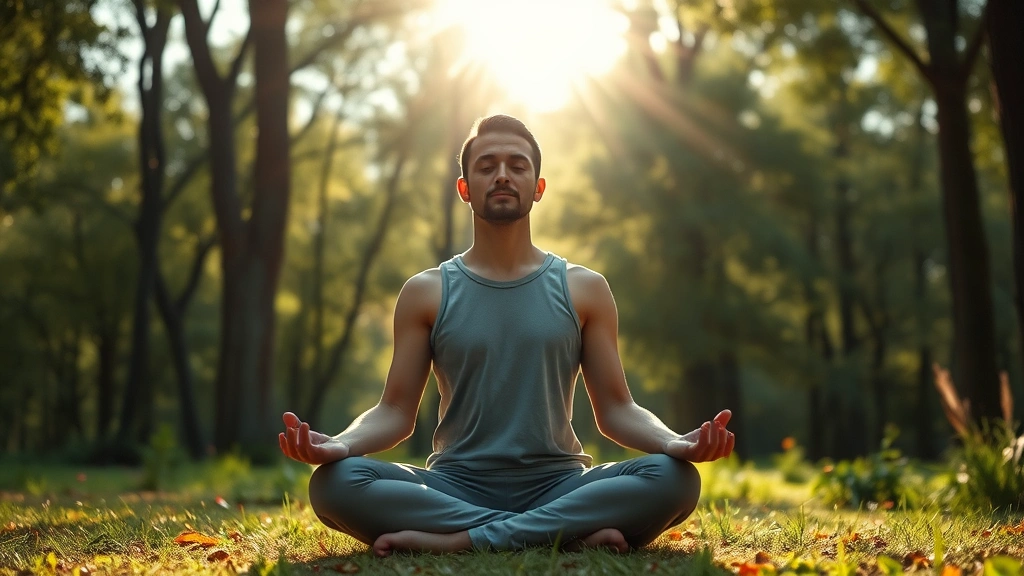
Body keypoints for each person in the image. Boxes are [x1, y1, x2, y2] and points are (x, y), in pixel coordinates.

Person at [278, 114, 736, 557]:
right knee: (335, 482)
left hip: (560, 485)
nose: (502, 175)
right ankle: (560, 534)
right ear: (465, 188)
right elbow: (395, 412)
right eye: (486, 166)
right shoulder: (425, 293)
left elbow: (617, 410)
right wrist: (340, 444)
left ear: (537, 188)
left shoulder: (585, 288)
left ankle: (464, 539)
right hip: (453, 487)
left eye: (517, 166)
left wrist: (674, 442)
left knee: (675, 478)